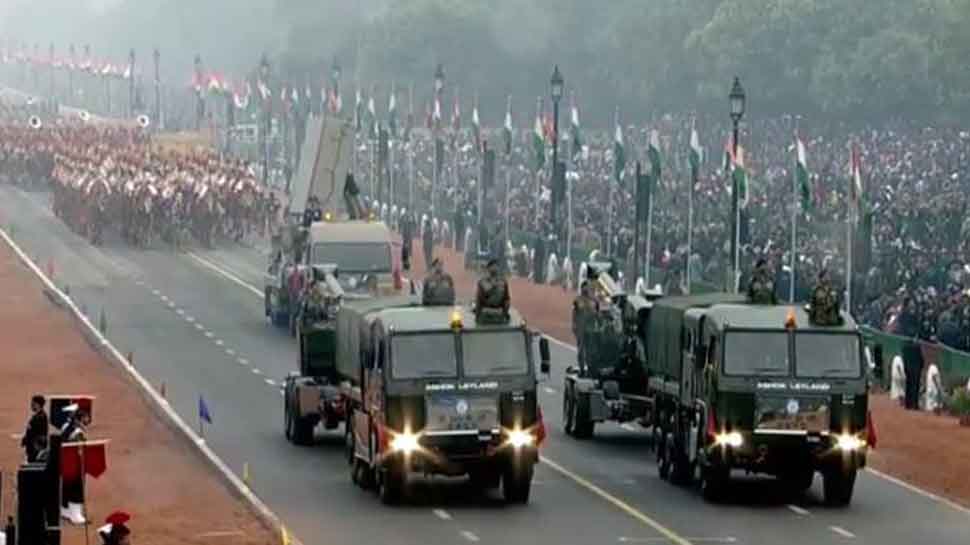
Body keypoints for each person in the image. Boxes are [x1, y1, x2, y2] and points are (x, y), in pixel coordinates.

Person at [60, 405, 91, 525]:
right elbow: (80, 449)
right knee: (76, 487)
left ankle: (65, 510)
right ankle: (75, 515)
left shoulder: (66, 427)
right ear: (80, 418)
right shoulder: (78, 432)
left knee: (67, 486)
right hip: (76, 463)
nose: (88, 419)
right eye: (86, 417)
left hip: (67, 462)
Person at [475, 258, 510, 323]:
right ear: (488, 268)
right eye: (493, 266)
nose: (495, 268)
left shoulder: (503, 282)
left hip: (499, 310)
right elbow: (479, 299)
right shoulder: (482, 282)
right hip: (486, 310)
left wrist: (505, 312)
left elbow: (506, 297)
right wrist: (477, 315)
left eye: (496, 266)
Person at [573, 281, 599, 367]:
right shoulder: (577, 300)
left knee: (591, 349)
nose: (586, 289)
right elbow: (574, 313)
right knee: (581, 349)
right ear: (582, 288)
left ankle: (590, 367)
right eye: (585, 287)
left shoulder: (594, 300)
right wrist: (574, 325)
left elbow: (598, 314)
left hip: (591, 328)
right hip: (581, 328)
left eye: (588, 287)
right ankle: (581, 368)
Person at [21, 394, 48, 463]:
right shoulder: (37, 416)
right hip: (33, 448)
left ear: (38, 404)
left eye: (33, 404)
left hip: (35, 449)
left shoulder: (41, 417)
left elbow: (40, 434)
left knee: (33, 465)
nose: (31, 406)